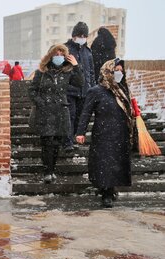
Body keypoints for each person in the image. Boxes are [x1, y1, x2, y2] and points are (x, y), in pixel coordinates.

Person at [76, 59, 134, 208]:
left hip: (121, 133)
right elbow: (86, 113)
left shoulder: (122, 89)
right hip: (104, 134)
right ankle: (106, 193)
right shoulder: (96, 91)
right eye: (116, 70)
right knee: (105, 164)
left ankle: (111, 188)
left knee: (117, 163)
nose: (119, 73)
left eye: (121, 70)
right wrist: (80, 132)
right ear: (108, 71)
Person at [29, 44, 83, 184]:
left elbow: (80, 83)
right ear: (50, 55)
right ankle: (47, 172)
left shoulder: (68, 72)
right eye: (55, 53)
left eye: (61, 54)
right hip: (45, 112)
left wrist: (76, 66)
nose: (58, 56)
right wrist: (41, 102)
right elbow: (32, 90)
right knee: (46, 142)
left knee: (56, 143)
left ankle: (52, 170)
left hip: (60, 111)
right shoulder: (41, 71)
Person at [64, 21, 96, 151]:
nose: (82, 38)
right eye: (80, 35)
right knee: (70, 116)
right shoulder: (66, 49)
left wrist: (92, 87)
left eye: (84, 35)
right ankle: (67, 142)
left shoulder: (88, 52)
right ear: (74, 35)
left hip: (85, 91)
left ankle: (74, 139)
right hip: (70, 90)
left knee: (79, 117)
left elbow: (91, 72)